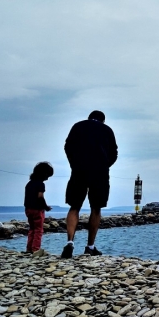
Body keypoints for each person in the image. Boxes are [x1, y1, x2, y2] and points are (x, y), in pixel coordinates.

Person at [61, 110, 118, 258]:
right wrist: (105, 164)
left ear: (89, 118)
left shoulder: (77, 126)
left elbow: (67, 147)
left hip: (78, 170)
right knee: (96, 208)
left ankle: (69, 242)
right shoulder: (107, 130)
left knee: (74, 206)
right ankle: (90, 246)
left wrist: (74, 163)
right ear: (103, 120)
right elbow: (114, 153)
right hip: (100, 172)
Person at [24, 161, 54, 254]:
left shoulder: (29, 183)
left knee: (32, 229)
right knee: (38, 230)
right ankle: (35, 249)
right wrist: (46, 207)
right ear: (44, 174)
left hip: (28, 209)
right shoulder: (41, 184)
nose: (47, 179)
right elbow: (40, 197)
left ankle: (29, 248)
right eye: (48, 176)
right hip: (37, 210)